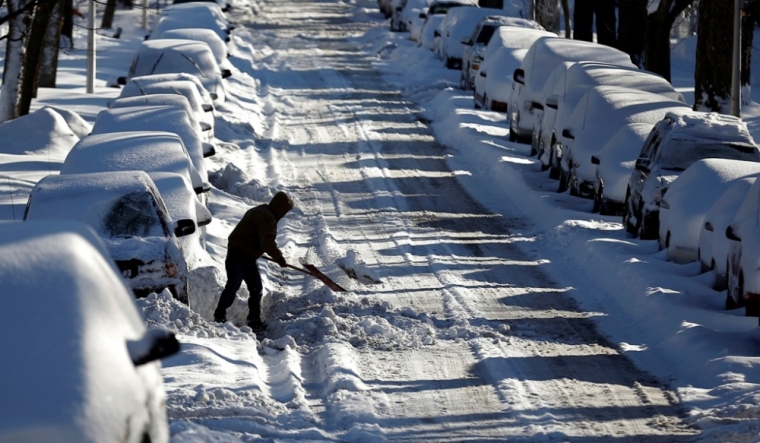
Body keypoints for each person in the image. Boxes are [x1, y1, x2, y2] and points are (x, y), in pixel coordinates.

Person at [213, 191, 294, 332]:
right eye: (284, 211)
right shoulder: (265, 217)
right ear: (280, 208)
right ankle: (219, 316)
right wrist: (279, 258)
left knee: (256, 288)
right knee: (233, 286)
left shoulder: (263, 211)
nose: (284, 215)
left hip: (248, 256)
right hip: (238, 256)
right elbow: (266, 242)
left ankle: (254, 320)